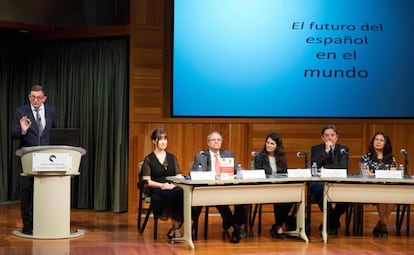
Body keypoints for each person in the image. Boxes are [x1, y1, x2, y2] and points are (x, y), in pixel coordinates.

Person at [10, 85, 57, 235]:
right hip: (29, 158)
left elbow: (54, 131)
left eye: (38, 98)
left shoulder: (51, 111)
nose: (35, 100)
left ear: (44, 98)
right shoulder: (22, 111)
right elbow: (13, 134)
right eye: (32, 97)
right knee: (27, 192)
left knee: (46, 191)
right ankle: (28, 225)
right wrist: (23, 129)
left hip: (48, 158)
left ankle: (45, 222)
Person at [191, 131, 247, 243]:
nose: (216, 142)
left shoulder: (228, 154)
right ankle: (236, 229)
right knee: (219, 200)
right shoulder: (201, 156)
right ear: (208, 142)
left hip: (227, 187)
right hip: (208, 189)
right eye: (213, 140)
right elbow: (196, 174)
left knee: (242, 199)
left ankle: (232, 224)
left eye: (219, 140)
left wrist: (240, 173)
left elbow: (236, 171)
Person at [141, 128, 184, 240]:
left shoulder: (171, 157)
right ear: (154, 141)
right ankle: (176, 229)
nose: (163, 142)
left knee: (180, 192)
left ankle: (176, 228)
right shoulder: (148, 159)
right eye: (160, 139)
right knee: (172, 195)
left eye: (165, 139)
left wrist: (173, 185)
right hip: (157, 189)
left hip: (172, 187)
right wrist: (162, 185)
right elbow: (147, 181)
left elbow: (179, 176)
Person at [253, 132, 295, 239]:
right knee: (279, 199)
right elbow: (259, 175)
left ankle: (278, 224)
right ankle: (278, 226)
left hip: (279, 186)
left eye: (272, 143)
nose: (269, 145)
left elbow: (284, 174)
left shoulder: (281, 158)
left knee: (292, 198)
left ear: (277, 146)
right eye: (267, 142)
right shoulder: (259, 157)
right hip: (265, 188)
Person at [310, 124, 349, 236]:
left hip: (338, 183)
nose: (329, 138)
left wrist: (324, 168)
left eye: (332, 135)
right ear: (322, 138)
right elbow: (314, 165)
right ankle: (333, 223)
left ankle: (330, 220)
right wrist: (326, 151)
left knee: (349, 195)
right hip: (319, 183)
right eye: (326, 135)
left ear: (337, 137)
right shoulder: (316, 149)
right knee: (320, 191)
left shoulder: (343, 149)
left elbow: (343, 166)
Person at [360, 130, 397, 238]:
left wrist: (376, 174)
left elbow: (393, 173)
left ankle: (381, 223)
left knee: (393, 197)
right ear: (373, 142)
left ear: (386, 143)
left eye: (381, 140)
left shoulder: (391, 158)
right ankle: (383, 224)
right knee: (382, 195)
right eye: (376, 139)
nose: (378, 142)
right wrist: (383, 174)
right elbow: (366, 173)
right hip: (370, 187)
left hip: (387, 187)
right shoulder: (366, 157)